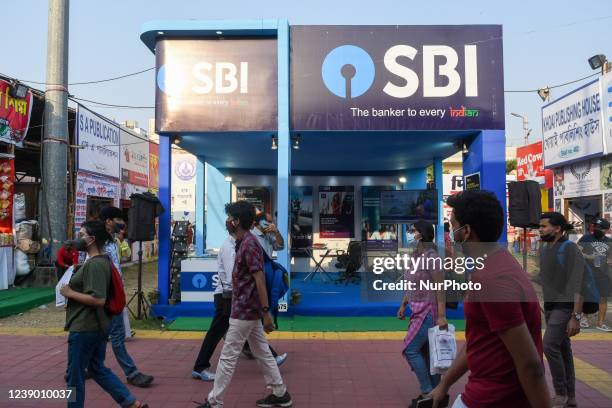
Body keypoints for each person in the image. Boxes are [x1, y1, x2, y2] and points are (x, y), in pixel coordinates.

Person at [431, 190, 550, 408]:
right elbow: (481, 340)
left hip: (491, 399)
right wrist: (444, 384)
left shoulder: (492, 280)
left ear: (466, 231)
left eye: (452, 225)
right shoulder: (499, 262)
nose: (450, 233)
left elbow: (531, 365)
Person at [196, 201, 292, 408]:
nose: (227, 221)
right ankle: (280, 393)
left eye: (230, 218)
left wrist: (266, 312)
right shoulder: (243, 242)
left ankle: (214, 401)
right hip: (248, 309)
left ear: (237, 221)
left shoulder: (248, 244)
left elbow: (259, 279)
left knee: (228, 357)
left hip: (244, 310)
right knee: (263, 353)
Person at [60, 220, 148, 408]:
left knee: (75, 376)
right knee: (96, 368)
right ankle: (129, 402)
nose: (78, 238)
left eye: (82, 234)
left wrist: (70, 293)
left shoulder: (96, 265)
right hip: (95, 326)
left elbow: (98, 299)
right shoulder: (96, 261)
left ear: (92, 239)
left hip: (86, 327)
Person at [98, 206, 154, 387]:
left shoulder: (113, 241)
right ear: (108, 221)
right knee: (117, 336)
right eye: (118, 220)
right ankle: (132, 373)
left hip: (114, 294)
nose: (121, 224)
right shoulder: (98, 242)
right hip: (106, 295)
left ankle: (81, 368)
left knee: (98, 336)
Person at [397, 220, 448, 408]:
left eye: (414, 230)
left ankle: (427, 391)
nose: (411, 233)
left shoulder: (432, 257)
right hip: (415, 309)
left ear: (422, 234)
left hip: (428, 311)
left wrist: (441, 315)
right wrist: (403, 305)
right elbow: (411, 284)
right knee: (427, 355)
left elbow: (440, 287)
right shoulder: (415, 256)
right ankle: (438, 396)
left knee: (410, 349)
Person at [539, 212, 585, 408]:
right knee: (563, 350)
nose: (540, 230)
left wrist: (575, 316)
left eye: (544, 226)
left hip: (565, 307)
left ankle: (560, 393)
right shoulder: (545, 248)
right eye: (539, 227)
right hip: (550, 306)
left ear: (557, 228)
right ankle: (570, 396)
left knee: (548, 345)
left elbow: (578, 283)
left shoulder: (570, 249)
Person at [244, 211, 288, 365]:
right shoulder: (250, 238)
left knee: (252, 320)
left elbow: (281, 246)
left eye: (272, 222)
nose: (270, 224)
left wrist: (276, 232)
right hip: (256, 280)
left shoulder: (268, 235)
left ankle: (249, 346)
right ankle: (269, 356)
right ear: (257, 223)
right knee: (257, 315)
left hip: (265, 277)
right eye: (267, 222)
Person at [192, 230, 236, 381]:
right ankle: (200, 367)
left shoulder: (235, 243)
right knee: (215, 333)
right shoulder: (229, 246)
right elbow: (231, 277)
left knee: (252, 330)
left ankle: (270, 358)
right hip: (226, 296)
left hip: (228, 295)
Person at [578, 217, 612, 332]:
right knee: (588, 295)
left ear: (607, 230)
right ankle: (584, 318)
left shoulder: (609, 241)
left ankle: (600, 323)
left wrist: (610, 261)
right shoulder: (586, 238)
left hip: (603, 273)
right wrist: (588, 256)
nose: (596, 229)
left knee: (603, 297)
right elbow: (576, 251)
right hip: (588, 272)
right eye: (595, 227)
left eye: (600, 228)